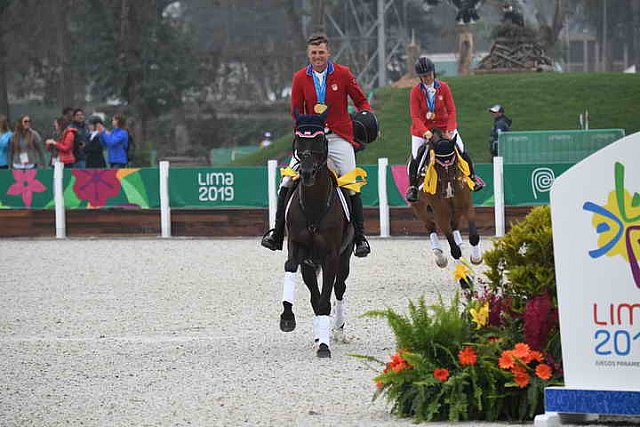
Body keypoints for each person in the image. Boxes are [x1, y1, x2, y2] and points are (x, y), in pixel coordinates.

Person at [261, 33, 373, 257]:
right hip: (311, 139)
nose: (318, 56)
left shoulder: (342, 74)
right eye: (314, 53)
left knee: (351, 183)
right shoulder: (300, 77)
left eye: (321, 52)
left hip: (338, 136)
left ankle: (360, 237)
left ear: (328, 53)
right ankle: (276, 233)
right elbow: (296, 109)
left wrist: (366, 115)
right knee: (286, 181)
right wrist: (305, 131)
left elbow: (360, 100)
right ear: (308, 54)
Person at [406, 56, 484, 203]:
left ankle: (473, 178)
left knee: (461, 149)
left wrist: (449, 130)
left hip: (444, 127)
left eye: (428, 75)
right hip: (423, 129)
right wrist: (425, 132)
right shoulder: (415, 92)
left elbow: (452, 111)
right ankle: (413, 187)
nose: (426, 78)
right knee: (416, 156)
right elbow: (415, 116)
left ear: (433, 73)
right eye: (423, 76)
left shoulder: (444, 87)